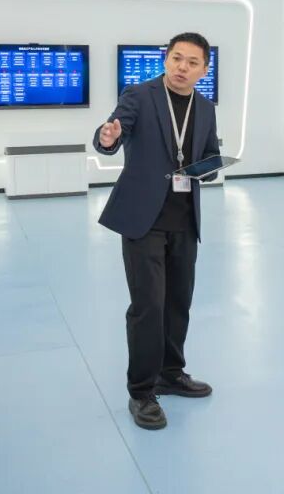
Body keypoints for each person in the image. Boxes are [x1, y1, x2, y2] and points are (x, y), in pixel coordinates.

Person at [93, 32, 220, 431]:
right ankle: (142, 391)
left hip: (184, 220)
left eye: (192, 62)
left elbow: (209, 155)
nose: (183, 67)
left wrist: (211, 166)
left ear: (204, 69)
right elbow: (113, 133)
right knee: (148, 306)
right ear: (166, 59)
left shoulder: (205, 107)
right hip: (142, 218)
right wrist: (107, 137)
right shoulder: (139, 95)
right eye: (177, 58)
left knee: (178, 302)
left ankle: (170, 372)